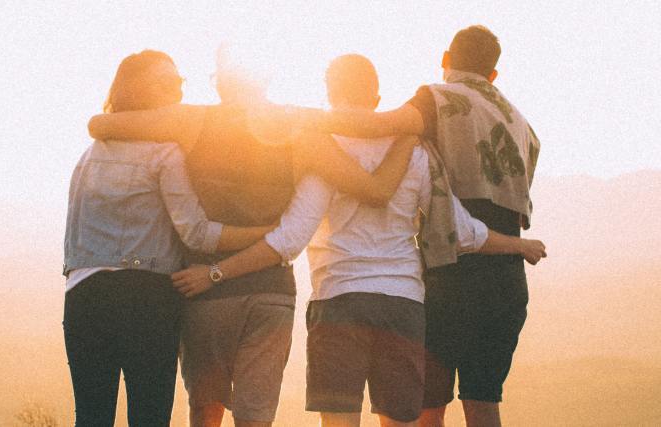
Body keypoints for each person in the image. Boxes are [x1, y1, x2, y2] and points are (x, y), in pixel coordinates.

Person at [170, 54, 546, 427]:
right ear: (377, 99)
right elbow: (460, 231)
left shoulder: (324, 153)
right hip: (401, 303)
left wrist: (217, 272)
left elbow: (290, 239)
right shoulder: (416, 152)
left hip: (338, 301)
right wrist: (519, 245)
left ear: (329, 94)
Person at [87, 47, 417, 427]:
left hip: (205, 293)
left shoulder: (191, 121)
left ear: (220, 80)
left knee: (205, 412)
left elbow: (101, 125)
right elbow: (374, 189)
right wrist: (410, 130)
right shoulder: (300, 128)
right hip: (271, 292)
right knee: (256, 418)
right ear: (266, 78)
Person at [307, 26, 542, 427]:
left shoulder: (438, 99)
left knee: (428, 408)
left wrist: (296, 119)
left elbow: (377, 126)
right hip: (505, 279)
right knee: (484, 402)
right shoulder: (522, 125)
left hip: (448, 276)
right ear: (493, 74)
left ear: (446, 59)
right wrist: (520, 246)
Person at [62, 50, 275, 427]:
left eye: (180, 81)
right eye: (168, 82)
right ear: (140, 89)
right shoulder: (165, 153)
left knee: (91, 416)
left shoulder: (88, 156)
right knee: (150, 416)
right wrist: (266, 234)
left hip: (83, 295)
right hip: (147, 297)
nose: (178, 89)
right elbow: (196, 232)